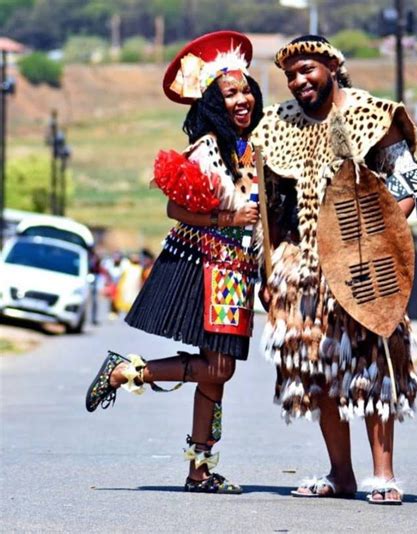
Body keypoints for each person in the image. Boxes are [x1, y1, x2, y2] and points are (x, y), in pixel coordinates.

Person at [254, 35, 417, 504]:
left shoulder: (371, 115)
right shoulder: (276, 127)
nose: (298, 81)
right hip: (303, 272)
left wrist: (375, 233)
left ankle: (384, 475)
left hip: (364, 266)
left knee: (376, 365)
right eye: (291, 75)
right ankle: (341, 473)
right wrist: (265, 274)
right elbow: (268, 213)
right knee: (318, 370)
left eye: (307, 69)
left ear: (332, 66)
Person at [85, 31, 263, 494]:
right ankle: (129, 371)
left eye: (246, 90)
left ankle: (199, 471)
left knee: (217, 372)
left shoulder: (252, 146)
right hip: (210, 267)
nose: (242, 99)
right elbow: (175, 209)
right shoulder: (207, 150)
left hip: (240, 270)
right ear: (212, 102)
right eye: (230, 93)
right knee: (219, 369)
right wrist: (230, 215)